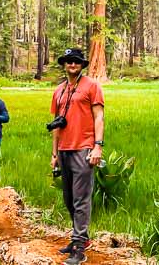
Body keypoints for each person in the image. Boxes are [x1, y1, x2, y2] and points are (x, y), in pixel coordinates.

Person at [50, 48, 105, 265]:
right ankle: (80, 238)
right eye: (69, 62)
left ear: (82, 65)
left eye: (76, 62)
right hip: (64, 148)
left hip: (84, 147)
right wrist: (54, 153)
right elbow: (56, 123)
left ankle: (79, 246)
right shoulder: (59, 90)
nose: (72, 65)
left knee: (81, 199)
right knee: (68, 198)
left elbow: (99, 117)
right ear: (64, 65)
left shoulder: (92, 86)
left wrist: (97, 146)